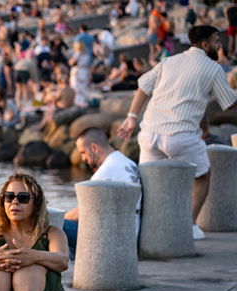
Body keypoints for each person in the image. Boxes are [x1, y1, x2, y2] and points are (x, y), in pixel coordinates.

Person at [117, 25, 237, 240]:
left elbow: (143, 87)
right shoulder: (212, 68)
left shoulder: (169, 61)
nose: (220, 46)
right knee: (202, 177)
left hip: (149, 132)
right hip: (180, 136)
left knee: (151, 184)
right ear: (204, 44)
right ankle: (189, 225)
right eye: (216, 41)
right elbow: (229, 103)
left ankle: (148, 230)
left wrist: (131, 117)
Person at [63, 128, 142, 259]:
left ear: (94, 147)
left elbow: (83, 211)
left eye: (83, 152)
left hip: (111, 240)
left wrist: (60, 217)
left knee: (55, 225)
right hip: (129, 235)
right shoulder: (127, 163)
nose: (83, 158)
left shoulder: (105, 172)